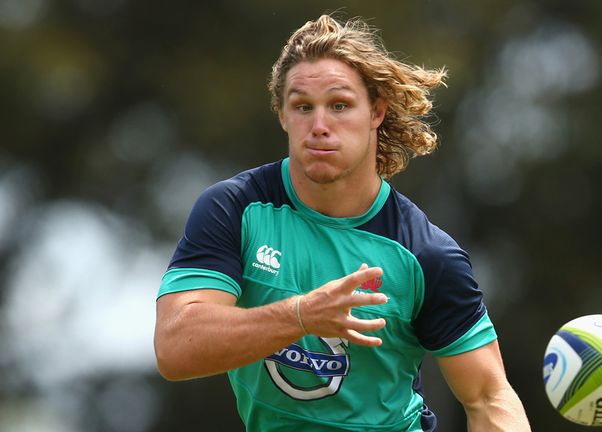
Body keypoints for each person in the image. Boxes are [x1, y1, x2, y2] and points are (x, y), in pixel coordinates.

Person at [154, 14, 531, 432]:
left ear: (376, 112)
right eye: (302, 107)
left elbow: (489, 398)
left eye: (339, 105)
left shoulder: (425, 254)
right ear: (282, 115)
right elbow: (174, 347)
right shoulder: (236, 210)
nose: (319, 127)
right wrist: (301, 315)